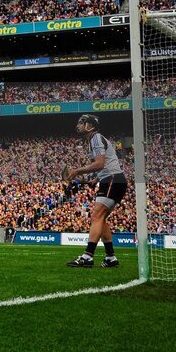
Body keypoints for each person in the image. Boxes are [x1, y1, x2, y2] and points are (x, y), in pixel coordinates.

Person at [63, 114, 126, 268]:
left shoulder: (95, 138)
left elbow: (99, 164)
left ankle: (88, 256)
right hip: (110, 180)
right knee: (101, 218)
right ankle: (111, 258)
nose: (78, 125)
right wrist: (93, 180)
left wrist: (77, 171)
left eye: (81, 122)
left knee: (96, 215)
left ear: (89, 126)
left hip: (112, 180)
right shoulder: (94, 140)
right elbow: (103, 167)